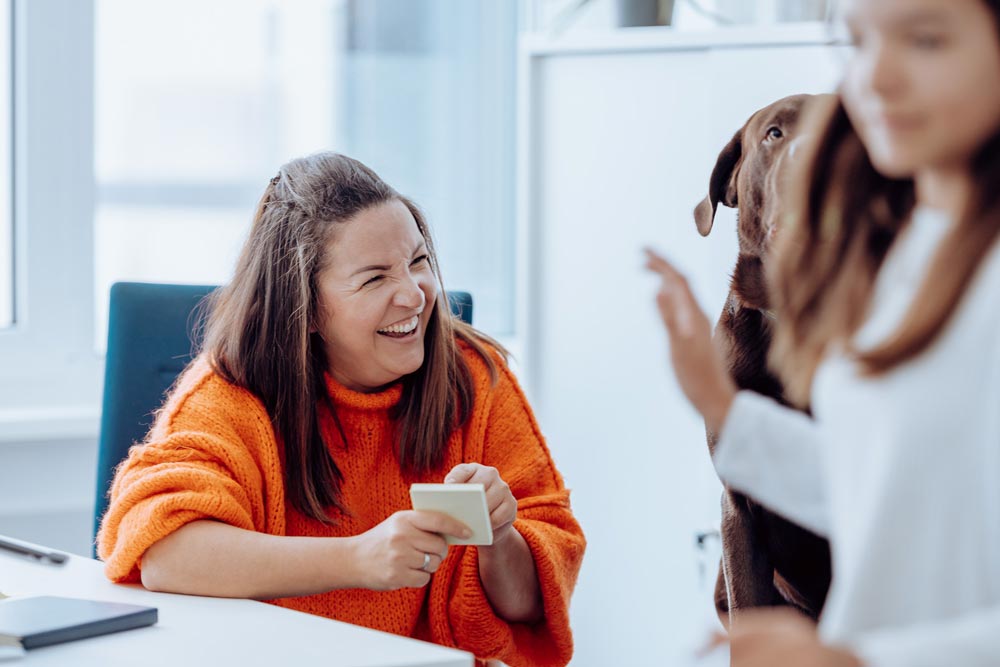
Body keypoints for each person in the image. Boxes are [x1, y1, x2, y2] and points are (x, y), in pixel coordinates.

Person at [98, 152, 585, 667]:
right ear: (304, 309)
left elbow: (535, 601)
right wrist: (360, 557)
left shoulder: (475, 378)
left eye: (418, 262)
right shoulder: (230, 393)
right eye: (375, 279)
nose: (414, 296)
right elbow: (165, 553)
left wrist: (501, 537)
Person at [645, 0, 1000, 665]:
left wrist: (855, 659)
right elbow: (884, 486)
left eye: (924, 39)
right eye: (858, 40)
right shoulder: (916, 253)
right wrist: (721, 406)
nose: (874, 78)